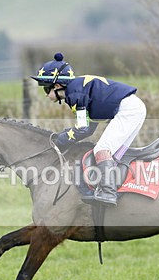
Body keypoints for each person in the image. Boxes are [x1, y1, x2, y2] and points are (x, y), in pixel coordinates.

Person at [31, 52, 146, 206]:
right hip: (132, 108)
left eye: (46, 89)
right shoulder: (77, 89)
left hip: (128, 110)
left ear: (57, 85)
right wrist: (64, 136)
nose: (46, 95)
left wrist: (60, 140)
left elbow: (82, 129)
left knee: (102, 150)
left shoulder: (74, 94)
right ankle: (117, 190)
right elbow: (90, 127)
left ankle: (108, 193)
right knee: (113, 155)